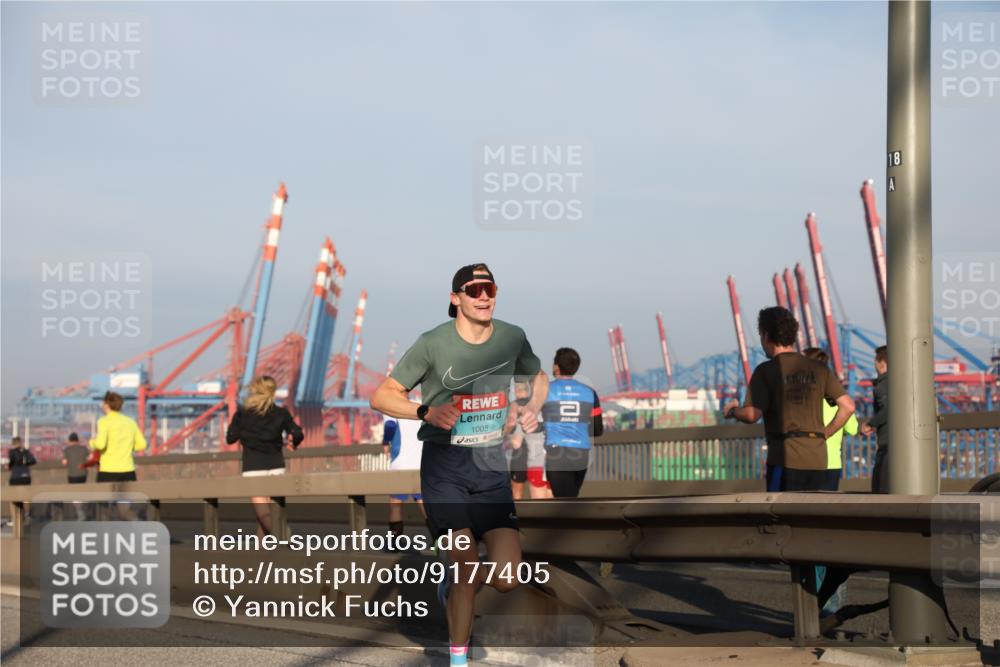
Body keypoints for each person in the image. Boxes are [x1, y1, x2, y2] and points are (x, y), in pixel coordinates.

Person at [370, 263, 548, 667]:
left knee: (506, 578)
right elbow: (382, 396)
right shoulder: (433, 344)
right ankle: (458, 659)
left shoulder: (511, 337)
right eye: (474, 289)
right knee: (466, 566)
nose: (484, 296)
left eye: (490, 288)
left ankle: (452, 583)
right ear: (456, 298)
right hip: (444, 469)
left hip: (490, 468)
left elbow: (538, 376)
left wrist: (531, 406)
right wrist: (426, 412)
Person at [724, 307, 855, 492]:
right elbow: (848, 407)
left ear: (766, 335)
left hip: (784, 458)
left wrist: (732, 411)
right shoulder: (819, 368)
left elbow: (752, 414)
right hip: (819, 459)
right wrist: (825, 433)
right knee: (813, 517)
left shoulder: (766, 371)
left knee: (780, 514)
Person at [226, 375, 304, 538]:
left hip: (253, 467)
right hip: (277, 466)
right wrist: (293, 444)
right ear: (272, 392)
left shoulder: (242, 414)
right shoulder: (280, 413)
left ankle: (286, 536)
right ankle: (261, 553)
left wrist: (243, 429)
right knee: (268, 512)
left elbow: (230, 438)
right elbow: (297, 433)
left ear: (254, 391)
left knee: (263, 514)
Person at [541, 347, 603, 498]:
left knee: (563, 504)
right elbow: (597, 429)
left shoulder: (545, 390)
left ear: (556, 366)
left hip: (557, 452)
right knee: (572, 499)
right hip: (581, 453)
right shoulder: (589, 392)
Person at [802, 349, 859, 492]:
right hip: (832, 463)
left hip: (804, 462)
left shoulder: (802, 397)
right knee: (825, 507)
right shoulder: (838, 398)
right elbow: (852, 430)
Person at [382, 415, 427, 542]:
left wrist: (385, 442)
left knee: (395, 504)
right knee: (424, 503)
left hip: (400, 464)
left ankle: (394, 543)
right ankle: (439, 541)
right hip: (420, 462)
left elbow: (390, 425)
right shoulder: (418, 405)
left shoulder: (390, 406)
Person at [90, 391, 147, 483]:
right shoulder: (130, 422)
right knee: (127, 497)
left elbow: (100, 445)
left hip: (108, 471)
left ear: (106, 405)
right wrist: (126, 446)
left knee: (106, 497)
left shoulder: (103, 421)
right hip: (128, 470)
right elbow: (142, 444)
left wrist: (92, 443)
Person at [510, 381, 551, 500]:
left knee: (517, 490)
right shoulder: (539, 406)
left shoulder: (515, 405)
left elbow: (515, 442)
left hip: (520, 454)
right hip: (542, 457)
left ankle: (517, 516)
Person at [861, 345, 889, 493]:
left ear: (881, 363)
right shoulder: (900, 382)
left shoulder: (884, 385)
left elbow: (889, 409)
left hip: (887, 446)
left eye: (875, 361)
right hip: (897, 445)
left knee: (880, 490)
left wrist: (870, 424)